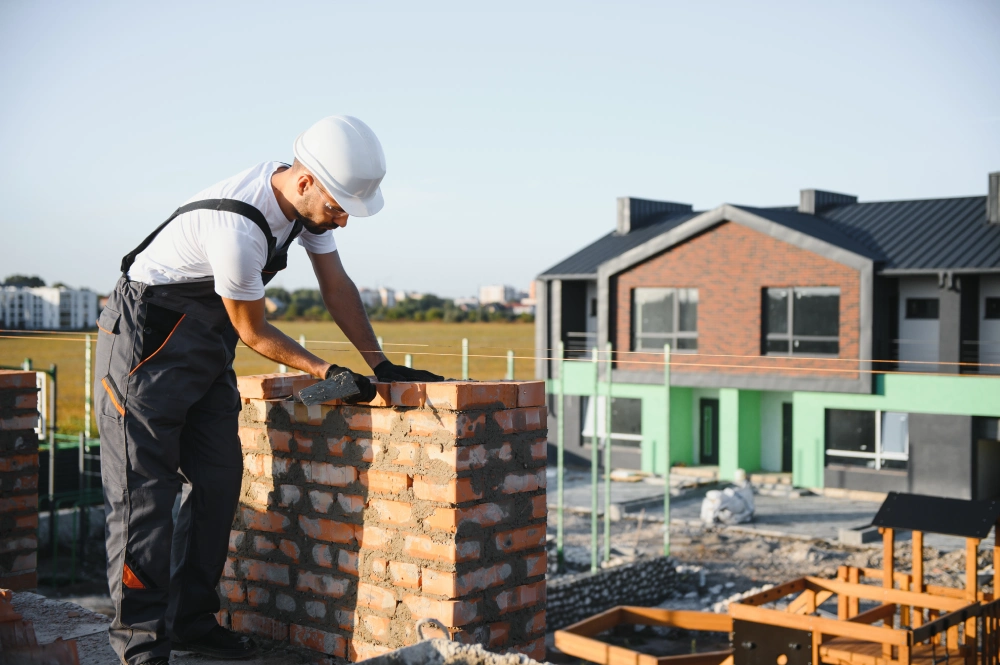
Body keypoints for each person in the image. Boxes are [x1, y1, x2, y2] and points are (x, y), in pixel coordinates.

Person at [94, 116, 442, 665]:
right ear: (304, 182)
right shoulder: (236, 229)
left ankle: (189, 622)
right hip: (146, 347)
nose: (343, 221)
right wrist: (326, 371)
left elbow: (336, 285)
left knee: (218, 480)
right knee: (145, 500)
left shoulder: (306, 208)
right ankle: (140, 649)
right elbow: (253, 331)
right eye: (337, 207)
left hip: (204, 349)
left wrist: (382, 364)